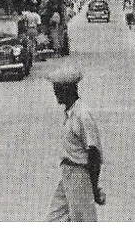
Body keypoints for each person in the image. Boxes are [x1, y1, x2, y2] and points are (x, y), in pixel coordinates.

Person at [47, 61, 104, 221]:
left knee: (83, 221)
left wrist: (93, 187)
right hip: (67, 174)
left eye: (58, 88)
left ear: (69, 90)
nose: (55, 92)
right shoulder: (69, 113)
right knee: (54, 219)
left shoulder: (82, 115)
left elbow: (94, 154)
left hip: (79, 175)